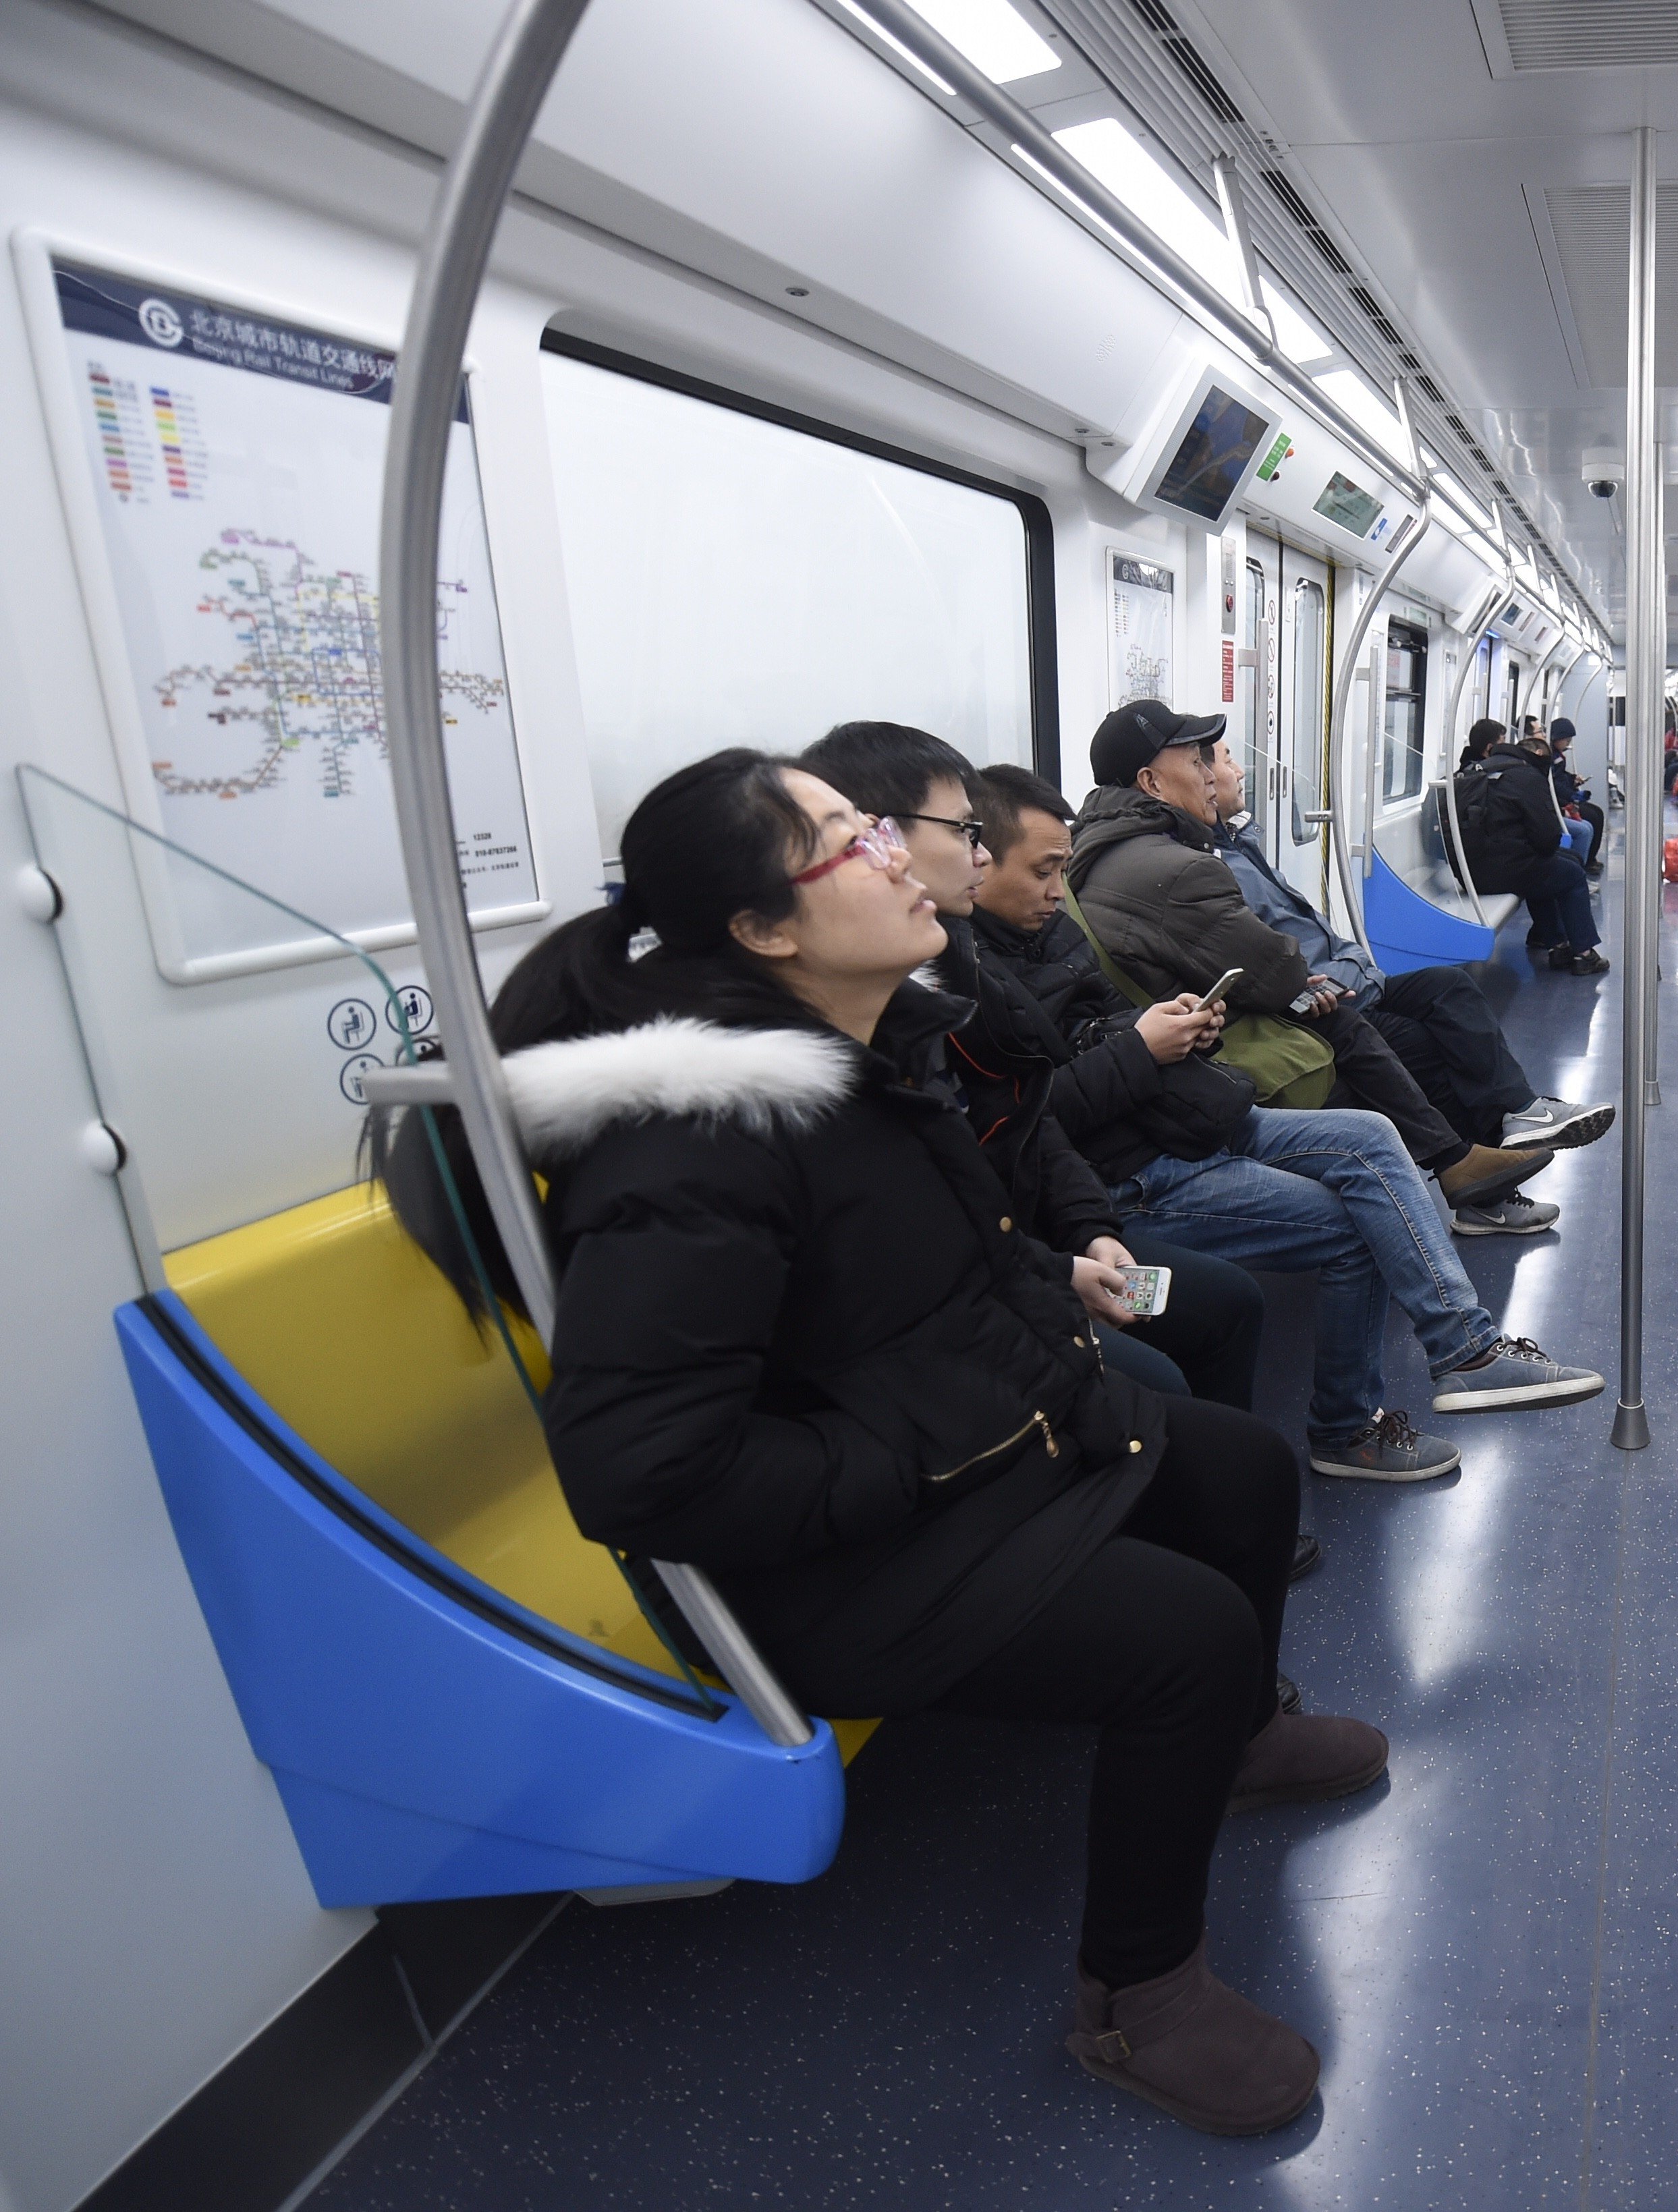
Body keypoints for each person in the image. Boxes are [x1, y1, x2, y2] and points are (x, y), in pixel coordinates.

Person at [378, 750, 1391, 2136]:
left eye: (872, 830)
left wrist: (1057, 1309)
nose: (904, 860)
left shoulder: (874, 1060)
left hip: (956, 1458)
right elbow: (643, 1471)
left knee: (1242, 1467)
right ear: (762, 933)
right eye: (848, 844)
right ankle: (1135, 1996)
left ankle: (1235, 1745)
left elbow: (956, 1274)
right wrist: (926, 1460)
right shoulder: (700, 1142)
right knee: (1185, 1635)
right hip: (829, 1558)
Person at [961, 760, 1609, 1479]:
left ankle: (1465, 1350)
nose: (1058, 888)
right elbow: (1036, 1120)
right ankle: (1348, 1425)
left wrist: (1164, 1029)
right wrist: (1143, 1049)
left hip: (1174, 1114)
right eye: (1043, 870)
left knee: (1371, 1132)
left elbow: (1098, 1026)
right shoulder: (972, 982)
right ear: (978, 861)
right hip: (1136, 1164)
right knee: (1348, 1221)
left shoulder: (1048, 932)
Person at [795, 722, 1273, 1419]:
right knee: (1167, 1395)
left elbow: (1022, 1119)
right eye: (964, 834)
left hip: (1048, 1227)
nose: (980, 859)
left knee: (1232, 1303)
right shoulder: (881, 1021)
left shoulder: (946, 970)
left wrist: (1090, 1231)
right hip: (1007, 1272)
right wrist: (1051, 1274)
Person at [1064, 699, 1552, 1208]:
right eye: (1195, 762)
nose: (1210, 774)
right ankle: (1467, 1176)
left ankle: (1471, 1162)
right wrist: (1299, 985)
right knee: (1415, 1043)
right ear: (1151, 782)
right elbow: (1276, 971)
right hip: (1215, 1053)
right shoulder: (1176, 866)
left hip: (1207, 1023)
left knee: (1427, 1001)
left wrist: (1298, 983)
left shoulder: (1112, 848)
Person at [1183, 744, 1615, 1227]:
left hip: (1350, 978)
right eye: (1222, 761)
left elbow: (1308, 927)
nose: (1238, 771)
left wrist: (1351, 961)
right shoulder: (1206, 866)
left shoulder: (1241, 842)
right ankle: (1484, 1197)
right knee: (1436, 1046)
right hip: (1324, 999)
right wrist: (1337, 973)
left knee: (1448, 986)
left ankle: (1521, 1111)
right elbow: (1264, 959)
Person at [1454, 718, 1610, 973]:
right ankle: (1584, 954)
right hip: (1502, 873)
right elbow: (1547, 837)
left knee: (1554, 865)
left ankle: (1557, 945)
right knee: (1569, 873)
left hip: (1469, 871)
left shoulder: (1475, 771)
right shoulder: (1526, 777)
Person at [1546, 717, 1604, 878]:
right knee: (1591, 818)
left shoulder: (1557, 755)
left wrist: (1572, 779)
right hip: (1558, 801)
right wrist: (1572, 796)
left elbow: (1560, 777)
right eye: (1567, 739)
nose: (1568, 743)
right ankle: (1582, 867)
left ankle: (1590, 859)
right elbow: (1554, 784)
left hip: (1563, 797)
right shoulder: (1549, 756)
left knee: (1597, 813)